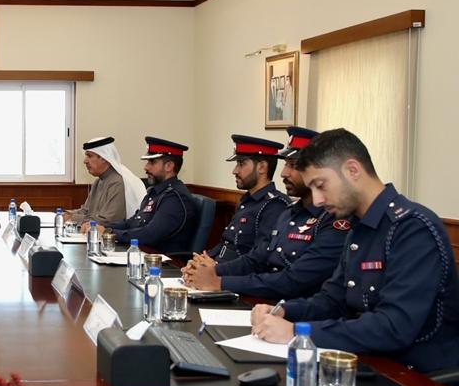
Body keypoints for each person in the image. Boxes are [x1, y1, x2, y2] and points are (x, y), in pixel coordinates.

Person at [251, 128, 459, 373]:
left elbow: (393, 328)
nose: (317, 200)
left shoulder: (413, 228)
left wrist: (296, 332)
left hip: (413, 377)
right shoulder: (358, 227)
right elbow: (332, 301)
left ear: (352, 170)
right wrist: (284, 310)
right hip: (367, 361)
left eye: (321, 185)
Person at [183, 127, 348, 300]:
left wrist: (220, 282)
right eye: (286, 164)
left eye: (294, 165)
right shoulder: (290, 213)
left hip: (290, 308)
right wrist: (210, 272)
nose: (283, 173)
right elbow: (257, 259)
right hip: (265, 301)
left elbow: (294, 281)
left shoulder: (332, 219)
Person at [204, 134, 290, 262]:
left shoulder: (275, 205)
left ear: (262, 167)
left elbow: (259, 258)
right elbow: (227, 243)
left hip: (233, 272)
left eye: (241, 164)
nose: (235, 171)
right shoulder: (248, 200)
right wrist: (204, 259)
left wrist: (216, 269)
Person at [104, 137, 197, 253]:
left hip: (163, 260)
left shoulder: (174, 198)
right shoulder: (155, 192)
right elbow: (133, 222)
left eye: (152, 162)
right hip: (143, 253)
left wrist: (110, 233)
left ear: (169, 166)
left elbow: (150, 235)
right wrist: (105, 228)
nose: (146, 167)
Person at [68, 136, 146, 228]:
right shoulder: (98, 182)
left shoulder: (118, 182)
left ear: (104, 158)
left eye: (89, 156)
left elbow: (108, 221)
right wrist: (66, 214)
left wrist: (72, 218)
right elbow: (85, 211)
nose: (85, 161)